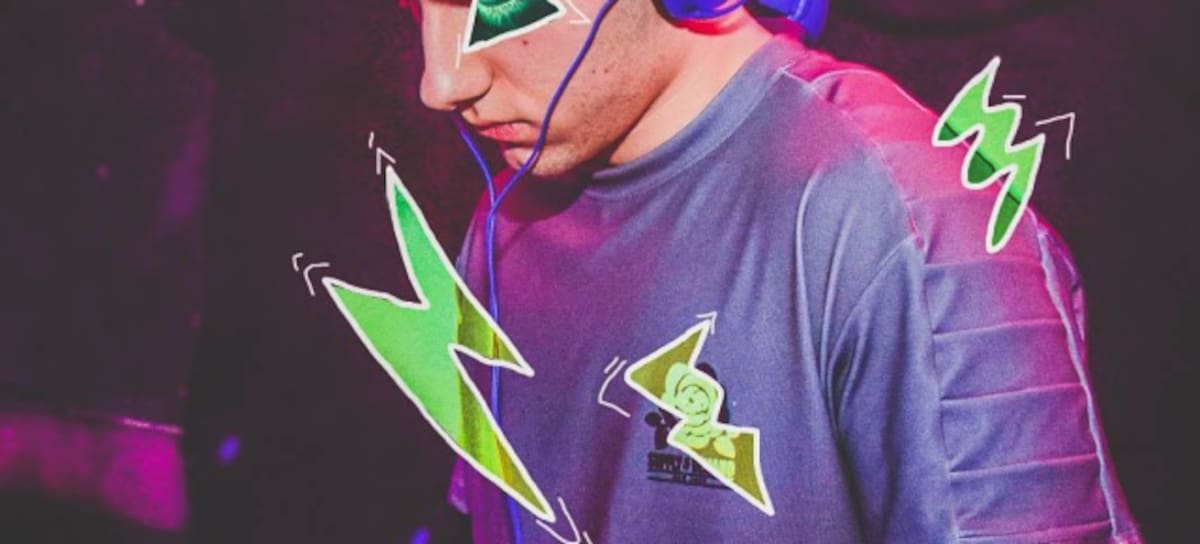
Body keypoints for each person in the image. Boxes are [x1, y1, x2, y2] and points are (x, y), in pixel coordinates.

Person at [411, 0, 1143, 541]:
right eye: (416, 8)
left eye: (495, 6)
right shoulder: (504, 215)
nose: (440, 82)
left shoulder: (909, 218)